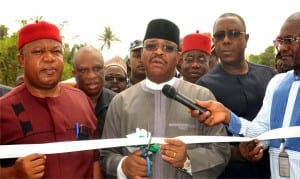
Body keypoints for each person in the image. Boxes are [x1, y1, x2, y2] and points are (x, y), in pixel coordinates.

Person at [101, 18, 230, 178]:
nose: (159, 52)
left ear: (178, 58)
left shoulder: (201, 97)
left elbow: (221, 150)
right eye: (151, 46)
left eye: (168, 48)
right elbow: (106, 154)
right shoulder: (121, 102)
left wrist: (189, 160)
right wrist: (123, 166)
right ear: (142, 54)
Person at [191, 12, 300, 179]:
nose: (283, 48)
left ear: (246, 39)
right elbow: (264, 134)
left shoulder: (268, 75)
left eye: (291, 40)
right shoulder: (278, 83)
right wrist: (229, 118)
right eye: (281, 41)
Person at [0, 20, 102, 178]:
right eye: (38, 52)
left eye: (56, 51)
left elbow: (94, 161)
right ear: (21, 60)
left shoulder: (82, 100)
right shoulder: (4, 110)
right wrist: (12, 174)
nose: (49, 58)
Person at [72, 46, 116, 138]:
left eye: (97, 69)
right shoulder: (64, 104)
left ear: (104, 70)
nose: (91, 76)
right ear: (74, 74)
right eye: (83, 70)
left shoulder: (118, 103)